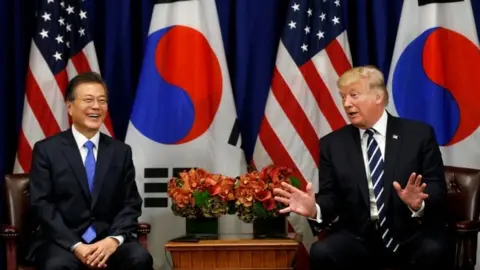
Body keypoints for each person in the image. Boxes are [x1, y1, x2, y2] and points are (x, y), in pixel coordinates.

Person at [274, 66, 449, 270]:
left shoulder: (418, 135)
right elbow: (332, 195)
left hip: (411, 233)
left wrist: (417, 204)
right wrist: (316, 209)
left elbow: (437, 187)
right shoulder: (333, 144)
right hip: (359, 237)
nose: (347, 104)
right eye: (343, 97)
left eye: (354, 95)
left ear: (378, 96)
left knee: (433, 249)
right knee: (322, 251)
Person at [27, 72, 153, 270]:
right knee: (58, 265)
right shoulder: (47, 150)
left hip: (107, 239)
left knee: (139, 258)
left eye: (102, 101)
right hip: (61, 241)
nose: (96, 106)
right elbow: (42, 204)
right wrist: (76, 246)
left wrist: (113, 240)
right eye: (88, 100)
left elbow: (131, 203)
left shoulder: (120, 152)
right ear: (70, 106)